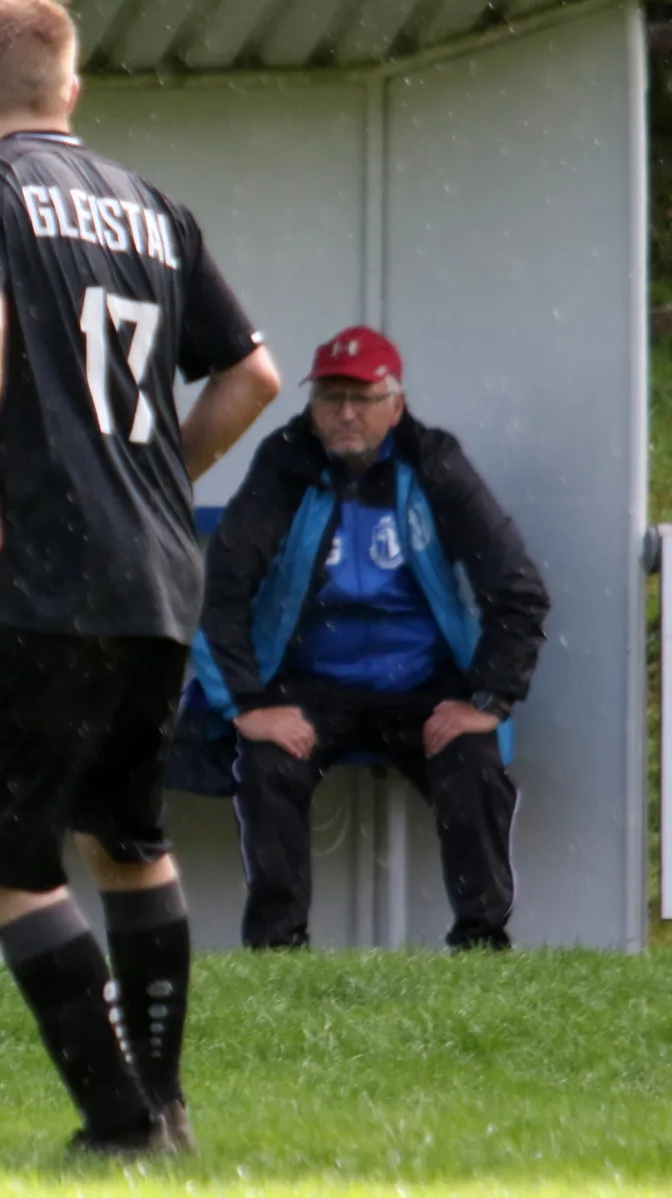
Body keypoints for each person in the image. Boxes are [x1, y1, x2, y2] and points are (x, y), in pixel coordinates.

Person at [0, 0, 283, 1157]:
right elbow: (252, 376)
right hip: (156, 574)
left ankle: (117, 1122)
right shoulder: (151, 206)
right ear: (70, 86)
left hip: (45, 574)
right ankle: (163, 1111)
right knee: (126, 837)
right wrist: (159, 477)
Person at [193, 326, 548, 952]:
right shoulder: (285, 462)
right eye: (330, 397)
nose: (346, 413)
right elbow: (220, 588)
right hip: (312, 682)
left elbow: (517, 587)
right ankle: (277, 949)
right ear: (311, 406)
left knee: (473, 763)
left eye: (363, 397)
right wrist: (247, 705)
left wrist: (488, 700)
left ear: (396, 404)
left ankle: (481, 942)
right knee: (267, 766)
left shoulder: (434, 463)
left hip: (421, 682)